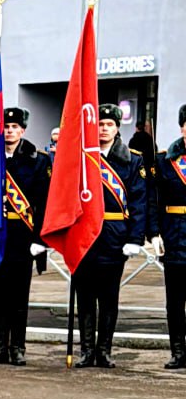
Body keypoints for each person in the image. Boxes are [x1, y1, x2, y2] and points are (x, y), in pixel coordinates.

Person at [74, 104, 146, 368]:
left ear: (117, 128)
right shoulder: (83, 157)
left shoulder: (132, 160)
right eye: (100, 124)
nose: (103, 129)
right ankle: (86, 350)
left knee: (108, 298)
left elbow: (139, 201)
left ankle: (104, 350)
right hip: (84, 236)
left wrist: (135, 239)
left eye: (108, 125)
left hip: (115, 236)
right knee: (84, 297)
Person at [0, 107, 52, 366]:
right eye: (7, 127)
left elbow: (44, 202)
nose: (10, 131)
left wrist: (40, 239)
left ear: (23, 130)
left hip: (24, 237)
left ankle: (17, 347)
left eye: (15, 127)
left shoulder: (38, 160)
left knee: (19, 295)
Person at [152, 104, 186, 369]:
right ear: (181, 127)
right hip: (174, 235)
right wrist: (154, 233)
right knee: (175, 300)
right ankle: (178, 351)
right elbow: (154, 201)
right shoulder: (165, 160)